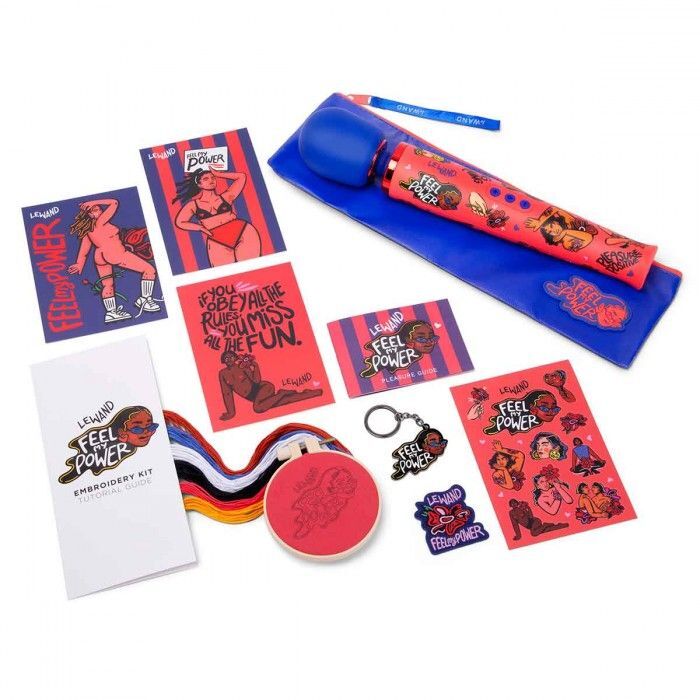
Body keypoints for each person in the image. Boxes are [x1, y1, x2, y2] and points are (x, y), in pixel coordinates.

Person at [68, 199, 161, 323]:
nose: (100, 211)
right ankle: (145, 300)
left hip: (99, 256)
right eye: (95, 210)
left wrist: (79, 264)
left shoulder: (89, 229)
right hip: (114, 253)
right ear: (89, 214)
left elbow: (84, 251)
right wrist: (93, 202)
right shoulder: (100, 222)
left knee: (107, 285)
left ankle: (111, 312)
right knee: (149, 270)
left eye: (99, 208)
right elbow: (114, 203)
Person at [173, 167, 261, 266]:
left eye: (213, 178)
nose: (211, 180)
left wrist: (218, 174)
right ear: (199, 184)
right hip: (216, 239)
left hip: (243, 232)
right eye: (206, 179)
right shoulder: (193, 205)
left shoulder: (226, 197)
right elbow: (180, 222)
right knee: (225, 272)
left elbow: (241, 177)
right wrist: (200, 228)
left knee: (253, 266)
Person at [218, 350, 322, 420]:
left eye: (231, 357)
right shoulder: (222, 374)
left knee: (258, 408)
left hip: (263, 388)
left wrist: (255, 366)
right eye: (226, 358)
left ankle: (282, 393)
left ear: (235, 357)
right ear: (223, 361)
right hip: (253, 397)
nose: (229, 359)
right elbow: (227, 393)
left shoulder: (242, 366)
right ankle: (311, 393)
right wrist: (231, 413)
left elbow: (256, 381)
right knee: (282, 402)